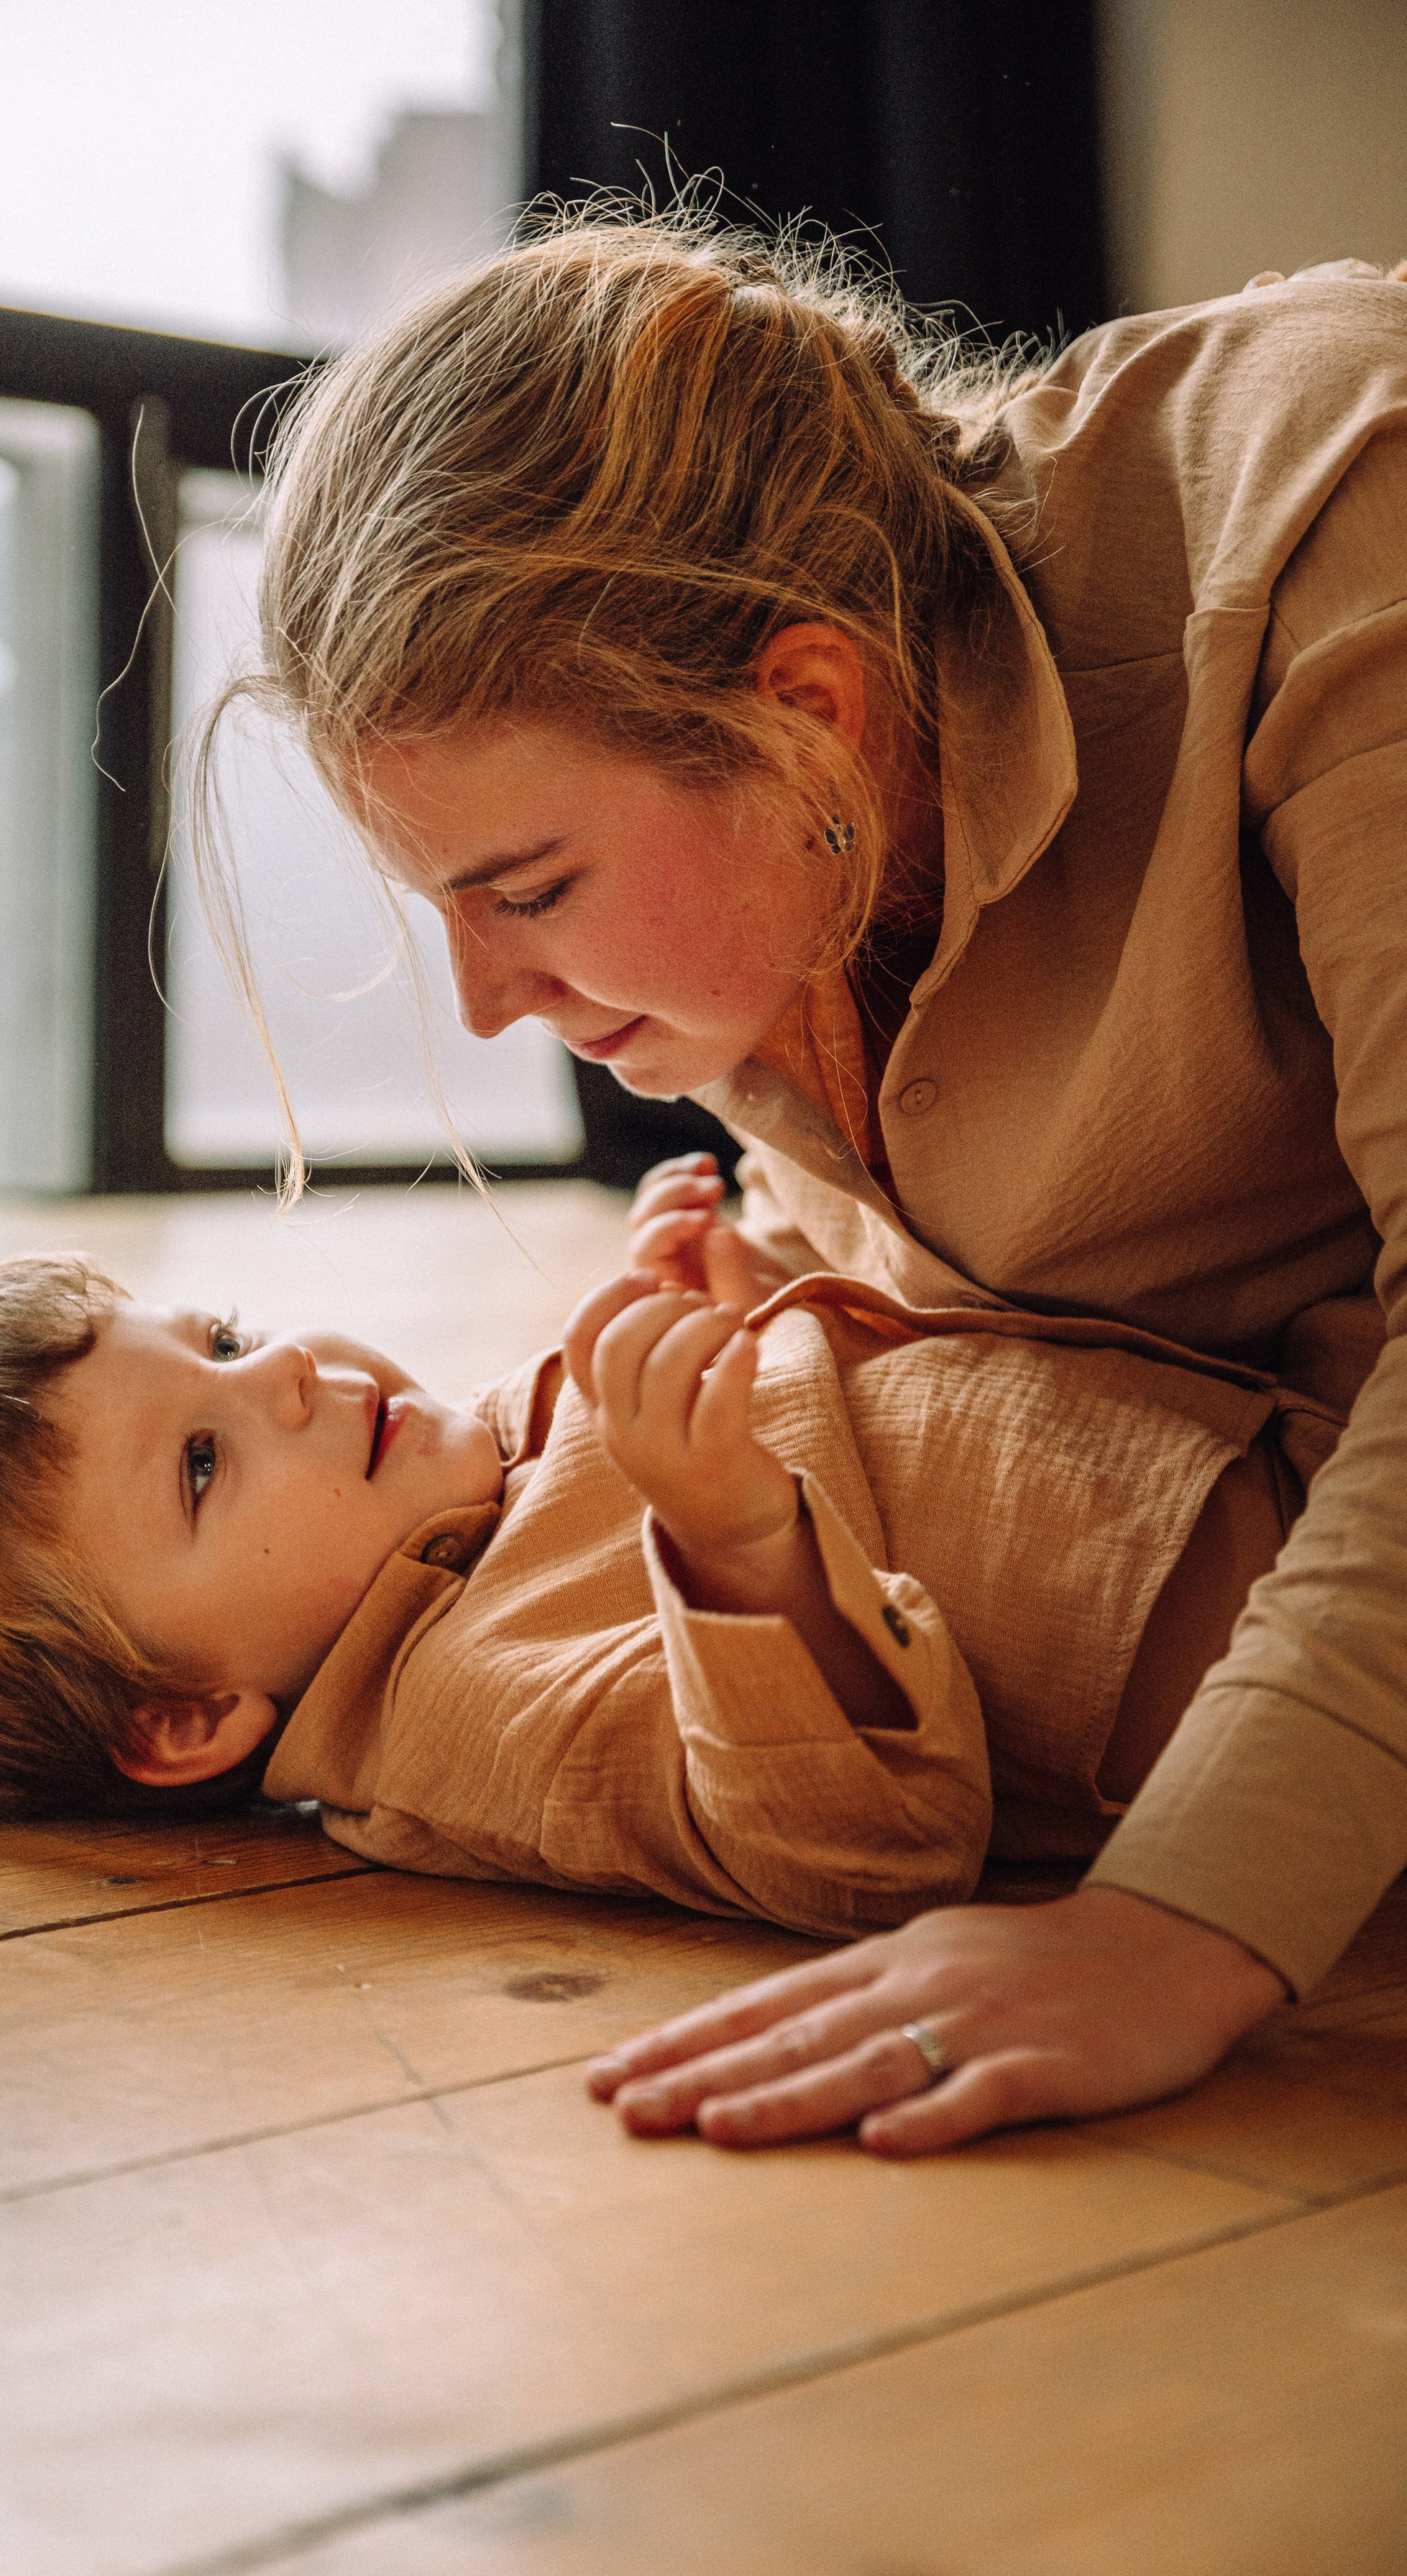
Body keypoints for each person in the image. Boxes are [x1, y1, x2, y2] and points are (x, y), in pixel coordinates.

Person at [191, 211, 1407, 2150]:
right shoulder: (788, 894)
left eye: (529, 892)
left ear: (810, 712)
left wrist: (1183, 1921)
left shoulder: (1336, 500)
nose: (490, 1007)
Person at [0, 1248, 1321, 1951]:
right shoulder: (467, 1714)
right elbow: (863, 1855)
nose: (284, 1371)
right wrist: (737, 1544)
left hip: (1286, 1411)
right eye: (204, 1462)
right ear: (188, 1716)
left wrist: (734, 1286)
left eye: (226, 1339)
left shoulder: (450, 1490)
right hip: (1299, 1614)